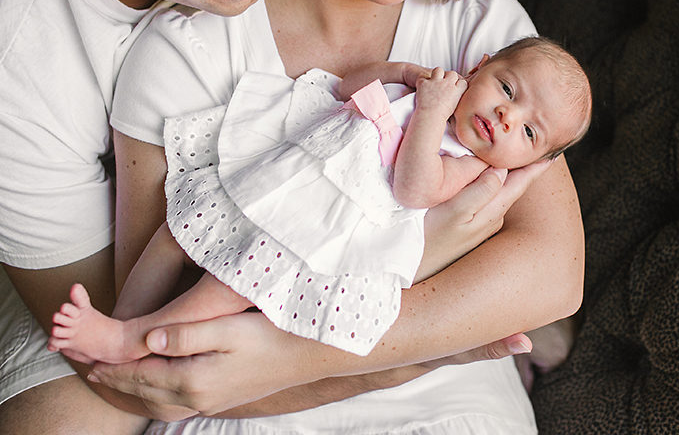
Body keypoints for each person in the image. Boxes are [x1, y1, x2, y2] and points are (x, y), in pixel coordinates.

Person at [0, 0, 530, 433]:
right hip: (101, 275)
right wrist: (400, 343)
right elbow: (139, 370)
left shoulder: (465, 26)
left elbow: (549, 264)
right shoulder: (21, 74)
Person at [48, 37, 592, 365]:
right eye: (508, 90)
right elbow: (346, 89)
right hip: (287, 176)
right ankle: (123, 316)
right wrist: (403, 75)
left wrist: (429, 112)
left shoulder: (468, 161)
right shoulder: (429, 88)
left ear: (529, 161)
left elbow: (415, 188)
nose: (506, 118)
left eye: (529, 132)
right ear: (481, 65)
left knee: (227, 285)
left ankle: (132, 341)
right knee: (179, 231)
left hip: (315, 230)